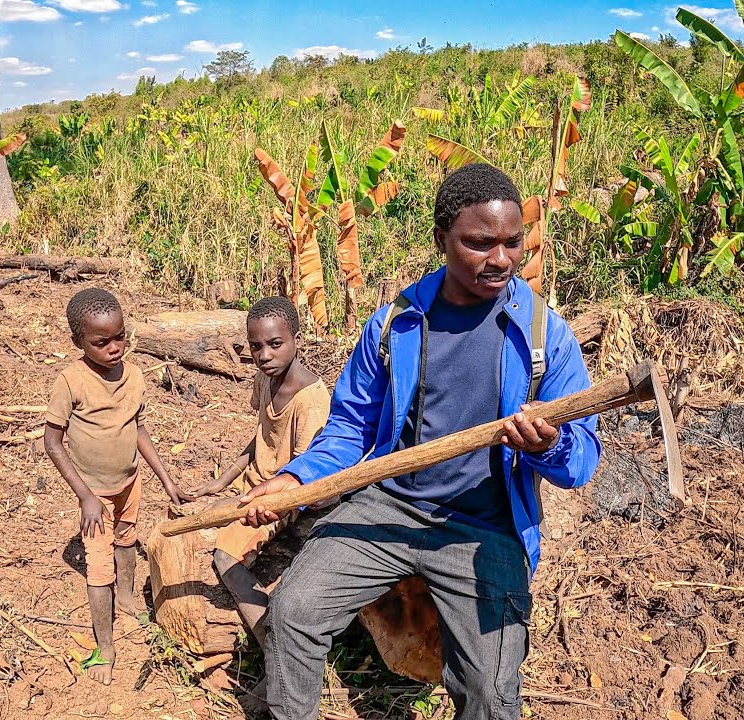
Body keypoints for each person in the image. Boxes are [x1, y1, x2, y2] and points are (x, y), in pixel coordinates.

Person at [240, 164, 602, 720]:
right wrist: (293, 480)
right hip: (391, 504)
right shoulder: (394, 325)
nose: (501, 260)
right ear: (442, 240)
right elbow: (350, 427)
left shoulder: (543, 336)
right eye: (479, 244)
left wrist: (544, 447)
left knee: (489, 692)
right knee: (293, 610)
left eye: (512, 243)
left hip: (486, 527)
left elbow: (580, 462)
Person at [44, 288, 183, 686]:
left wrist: (165, 478)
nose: (114, 348)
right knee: (98, 570)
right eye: (101, 342)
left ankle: (126, 596)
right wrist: (86, 496)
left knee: (127, 539)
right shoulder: (70, 382)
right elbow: (52, 442)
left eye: (119, 337)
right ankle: (105, 648)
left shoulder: (134, 375)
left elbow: (139, 429)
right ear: (79, 342)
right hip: (95, 493)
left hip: (129, 480)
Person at [182, 296, 330, 645]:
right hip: (250, 488)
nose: (264, 355)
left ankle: (271, 640)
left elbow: (304, 473)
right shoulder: (265, 379)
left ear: (297, 339)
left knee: (224, 558)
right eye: (256, 346)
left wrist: (274, 509)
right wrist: (222, 480)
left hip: (280, 498)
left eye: (275, 344)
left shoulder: (311, 400)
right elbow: (261, 437)